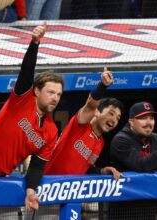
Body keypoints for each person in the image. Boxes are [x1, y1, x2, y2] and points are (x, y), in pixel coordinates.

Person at [0, 22, 64, 219]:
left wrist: (31, 189)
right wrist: (34, 44)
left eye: (59, 94)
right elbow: (26, 72)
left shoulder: (51, 130)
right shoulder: (22, 101)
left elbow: (37, 166)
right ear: (37, 91)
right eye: (50, 92)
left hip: (3, 180)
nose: (55, 98)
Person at [26, 68, 124, 218]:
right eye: (111, 113)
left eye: (118, 118)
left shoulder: (101, 142)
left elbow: (85, 168)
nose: (114, 120)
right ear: (97, 112)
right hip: (45, 193)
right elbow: (90, 105)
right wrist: (102, 85)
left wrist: (102, 171)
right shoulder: (80, 125)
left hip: (69, 198)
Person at [108, 101, 157, 220]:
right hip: (124, 210)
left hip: (149, 208)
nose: (148, 122)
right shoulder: (121, 140)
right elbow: (142, 166)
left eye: (151, 118)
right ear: (131, 121)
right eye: (143, 118)